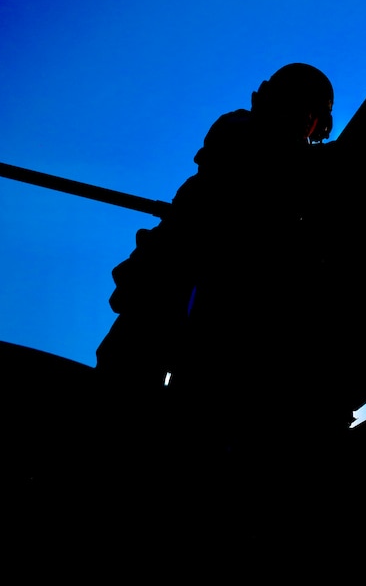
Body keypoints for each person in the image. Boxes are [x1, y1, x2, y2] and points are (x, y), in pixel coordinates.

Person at [95, 63, 334, 422]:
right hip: (173, 288)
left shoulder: (298, 176)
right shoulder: (240, 133)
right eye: (306, 117)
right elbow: (276, 157)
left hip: (223, 316)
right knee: (121, 393)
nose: (307, 130)